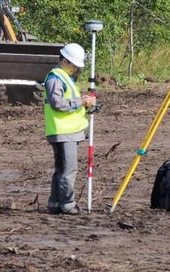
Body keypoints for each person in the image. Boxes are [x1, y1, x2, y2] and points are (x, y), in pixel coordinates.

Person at [43, 43, 96, 215]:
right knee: (68, 170)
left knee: (61, 169)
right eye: (74, 65)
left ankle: (55, 203)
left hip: (67, 131)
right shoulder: (55, 78)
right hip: (63, 131)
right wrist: (81, 102)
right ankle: (67, 204)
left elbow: (70, 103)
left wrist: (85, 104)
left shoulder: (65, 78)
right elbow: (58, 104)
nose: (75, 69)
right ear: (65, 60)